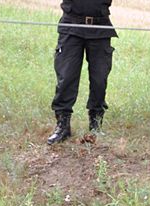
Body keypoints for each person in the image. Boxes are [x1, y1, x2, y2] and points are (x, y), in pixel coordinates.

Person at [47, 0, 117, 145]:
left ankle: (95, 125)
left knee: (100, 79)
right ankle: (63, 126)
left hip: (100, 25)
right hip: (72, 25)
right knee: (66, 77)